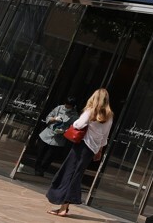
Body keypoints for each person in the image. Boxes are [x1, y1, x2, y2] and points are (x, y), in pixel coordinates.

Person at [46, 88, 113, 217]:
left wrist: (79, 120)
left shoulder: (90, 111)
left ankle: (63, 207)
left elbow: (78, 125)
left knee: (68, 173)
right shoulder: (109, 115)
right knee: (76, 175)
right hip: (91, 149)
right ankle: (64, 206)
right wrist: (99, 150)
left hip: (81, 146)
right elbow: (105, 136)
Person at [24, 96, 79, 176]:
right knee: (40, 153)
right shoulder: (59, 108)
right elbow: (48, 117)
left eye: (69, 106)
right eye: (66, 105)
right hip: (47, 134)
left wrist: (64, 131)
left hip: (58, 139)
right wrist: (54, 119)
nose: (66, 107)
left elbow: (73, 127)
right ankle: (37, 168)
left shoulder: (75, 115)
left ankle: (42, 169)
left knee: (49, 156)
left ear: (73, 106)